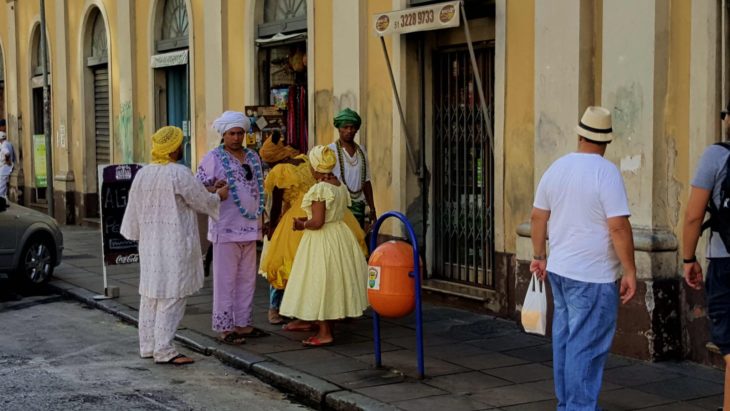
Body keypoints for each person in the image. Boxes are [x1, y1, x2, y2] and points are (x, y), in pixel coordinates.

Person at [530, 106, 637, 410]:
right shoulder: (606, 173)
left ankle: (568, 404)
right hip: (593, 275)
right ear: (606, 142)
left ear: (580, 135)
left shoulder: (557, 168)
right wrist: (629, 270)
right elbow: (617, 225)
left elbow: (538, 217)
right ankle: (577, 408)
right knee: (585, 347)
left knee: (565, 342)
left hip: (561, 271)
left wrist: (539, 256)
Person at [120, 126, 228, 365]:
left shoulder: (144, 173)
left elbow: (134, 209)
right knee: (173, 295)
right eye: (180, 144)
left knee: (150, 295)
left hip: (150, 244)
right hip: (174, 243)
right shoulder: (178, 172)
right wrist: (219, 196)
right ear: (173, 148)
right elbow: (200, 201)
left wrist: (210, 190)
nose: (182, 147)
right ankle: (164, 349)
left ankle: (148, 346)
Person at [258, 132, 366, 326]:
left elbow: (274, 205)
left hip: (305, 212)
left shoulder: (279, 170)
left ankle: (277, 308)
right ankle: (335, 308)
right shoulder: (306, 160)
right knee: (325, 266)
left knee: (283, 262)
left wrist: (272, 227)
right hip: (329, 212)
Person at [278, 145, 369, 346]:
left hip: (322, 239)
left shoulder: (320, 189)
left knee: (320, 282)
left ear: (316, 167)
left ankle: (324, 332)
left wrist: (303, 224)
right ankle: (328, 325)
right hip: (339, 234)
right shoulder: (339, 185)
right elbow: (328, 214)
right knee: (335, 280)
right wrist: (308, 217)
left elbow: (318, 222)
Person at [196, 111, 267, 344]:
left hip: (251, 226)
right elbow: (197, 189)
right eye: (232, 133)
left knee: (248, 279)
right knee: (225, 279)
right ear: (224, 135)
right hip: (225, 228)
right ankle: (225, 328)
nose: (237, 138)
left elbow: (259, 189)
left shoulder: (253, 157)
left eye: (240, 133)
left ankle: (243, 324)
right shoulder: (213, 158)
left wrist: (262, 218)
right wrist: (214, 190)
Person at [682, 105, 730, 411]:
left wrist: (688, 258)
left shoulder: (717, 155)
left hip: (726, 260)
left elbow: (693, 215)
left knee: (729, 343)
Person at [329, 108, 376, 229]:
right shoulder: (330, 151)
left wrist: (372, 208)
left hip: (358, 207)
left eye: (352, 127)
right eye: (345, 127)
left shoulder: (362, 151)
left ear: (356, 129)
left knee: (358, 242)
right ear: (339, 128)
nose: (349, 131)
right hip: (339, 207)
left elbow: (366, 181)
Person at [0, 120, 15, 199]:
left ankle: (2, 201)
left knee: (1, 188)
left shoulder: (3, 145)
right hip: (7, 168)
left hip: (4, 168)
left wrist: (8, 161)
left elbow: (7, 153)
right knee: (4, 187)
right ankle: (4, 201)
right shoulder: (8, 143)